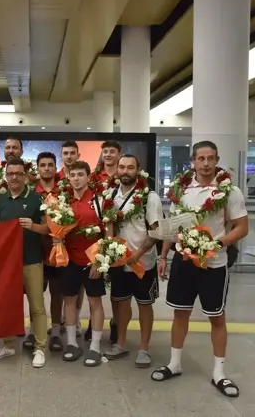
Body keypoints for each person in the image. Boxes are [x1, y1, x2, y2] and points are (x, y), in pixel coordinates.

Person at [153, 141, 248, 398]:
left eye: (210, 158)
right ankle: (175, 363)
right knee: (180, 313)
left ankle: (219, 372)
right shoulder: (181, 190)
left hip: (214, 264)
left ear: (216, 160)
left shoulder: (229, 191)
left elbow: (241, 227)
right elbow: (173, 227)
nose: (206, 164)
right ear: (193, 162)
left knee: (216, 317)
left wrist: (217, 244)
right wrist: (163, 256)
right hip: (184, 262)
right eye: (201, 159)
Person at [0, 158, 49, 368]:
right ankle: (8, 345)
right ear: (6, 176)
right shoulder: (1, 199)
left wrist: (33, 226)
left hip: (31, 261)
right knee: (7, 305)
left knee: (37, 307)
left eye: (18, 173)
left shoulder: (36, 199)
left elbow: (48, 229)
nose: (14, 177)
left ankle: (40, 348)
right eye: (10, 173)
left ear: (26, 176)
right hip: (7, 264)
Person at [103, 155, 161, 368]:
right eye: (122, 167)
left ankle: (144, 348)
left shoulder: (149, 197)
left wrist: (138, 254)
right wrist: (108, 251)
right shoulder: (110, 195)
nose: (125, 171)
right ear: (116, 169)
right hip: (119, 262)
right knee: (121, 303)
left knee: (145, 305)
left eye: (130, 167)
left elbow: (156, 231)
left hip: (143, 262)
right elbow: (108, 225)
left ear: (138, 170)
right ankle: (121, 343)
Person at [59, 161, 106, 366]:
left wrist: (99, 261)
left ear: (89, 177)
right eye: (73, 175)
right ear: (68, 178)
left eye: (80, 174)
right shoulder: (63, 203)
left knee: (95, 303)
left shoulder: (99, 201)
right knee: (69, 300)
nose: (76, 178)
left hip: (92, 261)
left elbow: (108, 234)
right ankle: (71, 343)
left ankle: (95, 346)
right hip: (69, 260)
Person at [85, 139, 122, 343]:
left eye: (112, 151)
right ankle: (93, 323)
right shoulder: (94, 178)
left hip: (120, 237)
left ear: (119, 154)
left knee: (117, 287)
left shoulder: (124, 175)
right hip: (99, 236)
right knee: (95, 287)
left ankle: (116, 324)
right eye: (105, 151)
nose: (108, 155)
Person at [33, 152, 63, 353]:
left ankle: (56, 332)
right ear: (38, 168)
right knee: (34, 293)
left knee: (56, 292)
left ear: (55, 167)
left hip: (57, 250)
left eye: (50, 165)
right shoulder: (30, 192)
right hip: (35, 250)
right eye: (42, 165)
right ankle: (34, 331)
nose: (46, 168)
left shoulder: (64, 192)